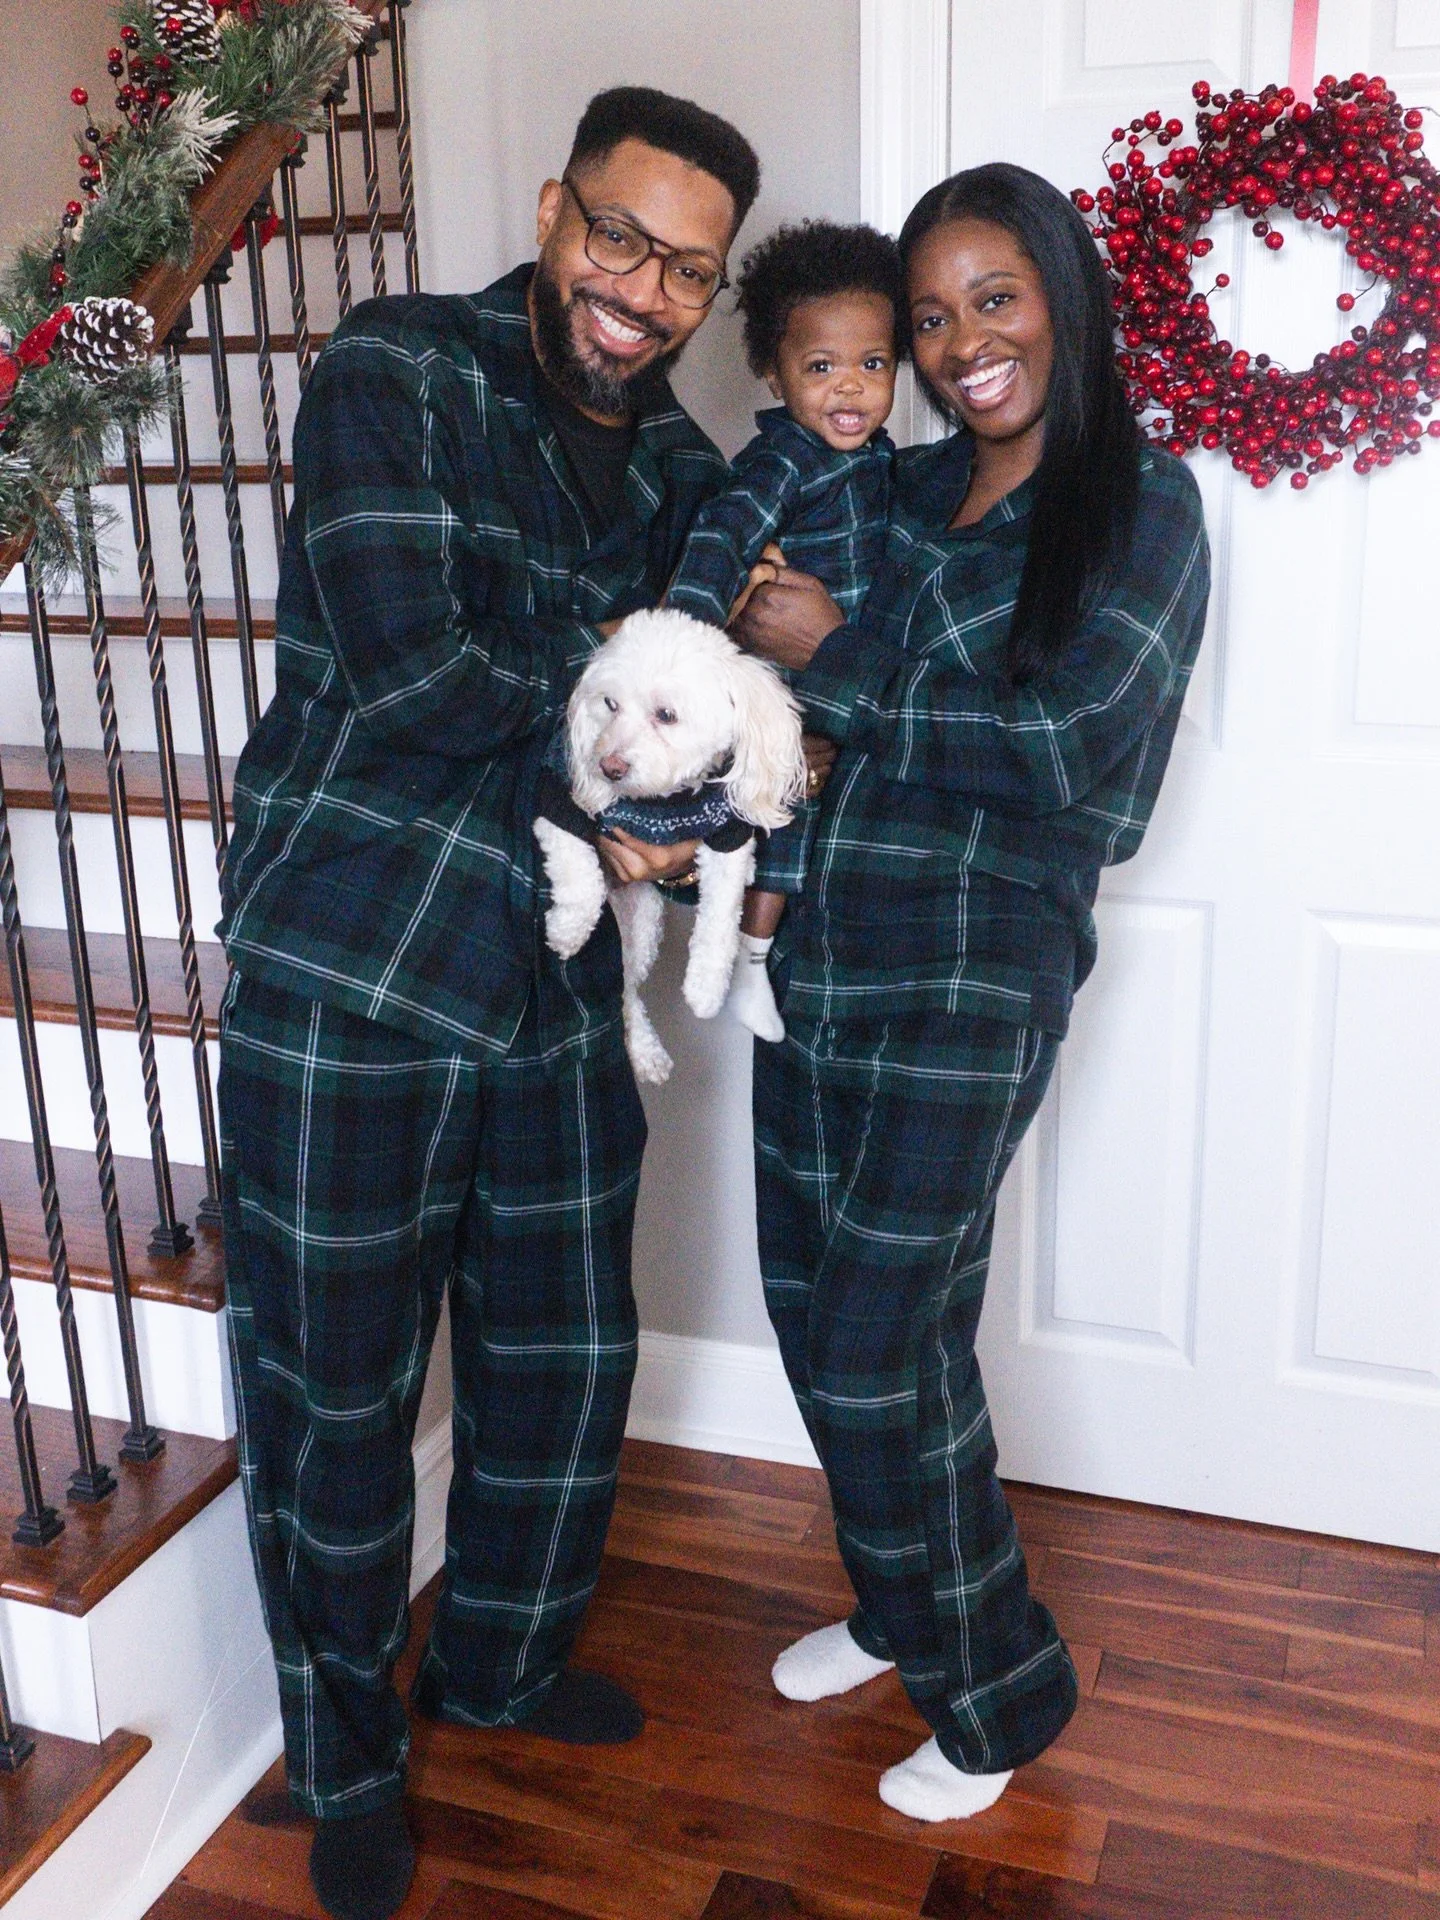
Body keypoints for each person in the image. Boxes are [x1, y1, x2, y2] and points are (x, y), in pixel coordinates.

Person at [217, 86, 758, 1920]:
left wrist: (675, 772)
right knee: (334, 1393)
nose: (642, 289)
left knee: (563, 1356)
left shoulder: (690, 471)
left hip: (557, 969)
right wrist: (623, 733)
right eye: (620, 236)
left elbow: (694, 713)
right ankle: (346, 1760)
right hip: (355, 959)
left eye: (688, 269)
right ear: (552, 209)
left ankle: (503, 1663)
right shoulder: (398, 369)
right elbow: (415, 669)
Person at [732, 163, 1210, 1823]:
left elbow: (1059, 749)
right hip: (818, 953)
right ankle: (899, 1603)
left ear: (1064, 297)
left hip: (974, 970)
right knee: (816, 1315)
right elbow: (767, 608)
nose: (959, 344)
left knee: (885, 1340)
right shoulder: (903, 480)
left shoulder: (1142, 504)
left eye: (993, 298)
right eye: (930, 318)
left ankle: (1001, 1688)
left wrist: (836, 655)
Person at [665, 220, 904, 1042]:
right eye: (821, 367)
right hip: (787, 679)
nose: (851, 389)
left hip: (844, 670)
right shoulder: (785, 462)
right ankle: (748, 959)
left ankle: (753, 958)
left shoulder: (879, 458)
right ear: (775, 372)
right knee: (781, 809)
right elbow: (720, 536)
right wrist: (692, 643)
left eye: (873, 365)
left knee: (811, 808)